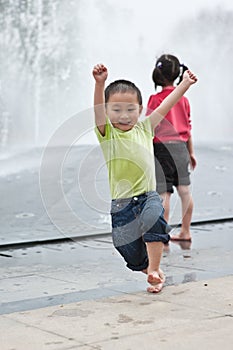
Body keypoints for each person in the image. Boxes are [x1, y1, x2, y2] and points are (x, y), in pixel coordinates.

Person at [92, 63, 197, 293]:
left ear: (140, 110)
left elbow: (168, 104)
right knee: (126, 247)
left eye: (130, 109)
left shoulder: (145, 128)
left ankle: (155, 269)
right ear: (108, 112)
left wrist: (184, 84)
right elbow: (98, 110)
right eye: (116, 110)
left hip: (148, 195)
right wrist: (99, 84)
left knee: (153, 221)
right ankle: (148, 269)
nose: (124, 115)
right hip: (122, 203)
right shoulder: (107, 134)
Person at [146, 54, 197, 242]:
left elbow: (149, 129)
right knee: (185, 191)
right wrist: (191, 152)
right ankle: (186, 231)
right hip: (181, 148)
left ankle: (163, 234)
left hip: (162, 149)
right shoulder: (184, 100)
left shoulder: (155, 99)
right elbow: (188, 128)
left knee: (163, 193)